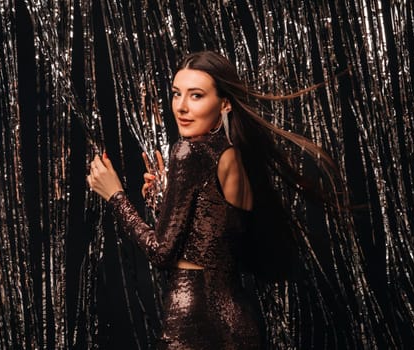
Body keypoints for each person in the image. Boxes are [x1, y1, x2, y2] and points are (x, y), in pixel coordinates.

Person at [86, 51, 339, 349]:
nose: (181, 107)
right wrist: (164, 200)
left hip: (193, 324)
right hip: (240, 323)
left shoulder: (189, 152)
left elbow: (161, 252)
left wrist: (114, 195)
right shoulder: (235, 156)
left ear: (225, 103)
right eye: (177, 94)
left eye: (196, 96)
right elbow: (209, 237)